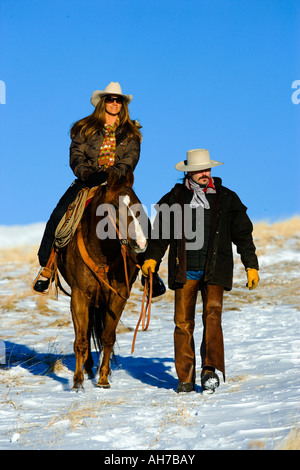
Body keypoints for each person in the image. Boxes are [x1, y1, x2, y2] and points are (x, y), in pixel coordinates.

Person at [141, 149, 259, 393]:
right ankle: (185, 378)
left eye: (208, 169)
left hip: (216, 269)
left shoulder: (227, 198)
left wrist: (251, 265)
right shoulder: (173, 198)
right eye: (200, 170)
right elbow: (159, 234)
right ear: (189, 173)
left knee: (212, 317)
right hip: (184, 270)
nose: (205, 173)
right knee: (182, 323)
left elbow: (243, 235)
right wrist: (152, 258)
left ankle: (209, 372)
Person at [33, 82, 142, 294]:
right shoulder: (84, 128)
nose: (114, 103)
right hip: (87, 182)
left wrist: (113, 175)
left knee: (138, 219)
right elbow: (76, 156)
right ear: (103, 102)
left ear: (123, 104)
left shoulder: (131, 132)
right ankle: (47, 268)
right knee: (58, 216)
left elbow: (131, 159)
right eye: (110, 99)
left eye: (118, 100)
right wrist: (88, 175)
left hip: (118, 183)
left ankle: (149, 273)